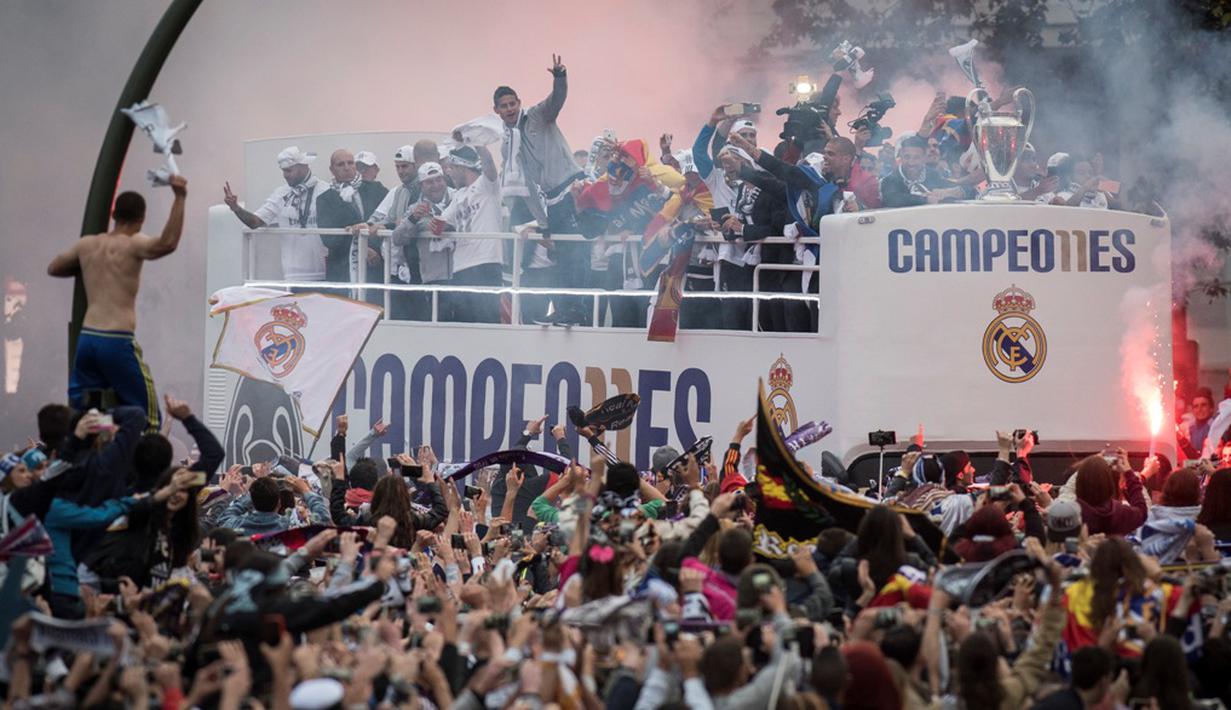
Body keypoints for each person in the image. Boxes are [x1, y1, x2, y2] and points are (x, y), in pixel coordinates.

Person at [48, 176, 187, 432]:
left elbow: (54, 267)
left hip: (88, 338)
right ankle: (139, 464)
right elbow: (167, 243)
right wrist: (180, 197)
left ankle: (97, 445)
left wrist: (85, 267)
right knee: (148, 415)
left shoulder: (87, 245)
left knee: (84, 413)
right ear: (141, 219)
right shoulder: (133, 243)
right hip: (116, 339)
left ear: (113, 214)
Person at [223, 146, 329, 283]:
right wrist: (236, 208)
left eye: (289, 170)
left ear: (303, 166)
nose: (285, 175)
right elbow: (255, 222)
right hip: (293, 273)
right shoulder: (281, 194)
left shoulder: (325, 190)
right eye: (283, 171)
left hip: (324, 271)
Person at [433, 144, 504, 323]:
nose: (448, 173)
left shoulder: (486, 185)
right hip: (461, 267)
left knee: (487, 320)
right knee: (463, 323)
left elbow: (489, 165)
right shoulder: (459, 195)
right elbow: (439, 225)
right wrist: (434, 224)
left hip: (485, 261)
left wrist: (477, 141)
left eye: (451, 168)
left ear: (460, 166)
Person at [315, 149, 388, 301]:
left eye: (350, 163)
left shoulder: (377, 190)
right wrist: (361, 247)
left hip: (376, 268)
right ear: (332, 170)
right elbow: (328, 239)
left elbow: (388, 220)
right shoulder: (325, 199)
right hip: (342, 271)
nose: (347, 167)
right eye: (341, 164)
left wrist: (373, 246)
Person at [365, 145, 428, 320]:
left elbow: (409, 222)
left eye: (405, 166)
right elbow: (390, 218)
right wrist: (382, 225)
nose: (401, 171)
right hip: (401, 264)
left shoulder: (424, 188)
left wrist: (388, 226)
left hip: (420, 262)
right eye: (397, 167)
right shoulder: (399, 191)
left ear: (415, 166)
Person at [879, 134, 971, 207]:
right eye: (907, 157)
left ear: (924, 158)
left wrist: (951, 192)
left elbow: (969, 190)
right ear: (901, 156)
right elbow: (892, 199)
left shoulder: (933, 175)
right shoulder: (890, 180)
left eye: (916, 158)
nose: (911, 162)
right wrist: (925, 199)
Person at [1073, 453, 1149, 536]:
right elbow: (1142, 511)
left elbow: (1066, 490)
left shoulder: (1072, 514)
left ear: (1078, 484)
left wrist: (1087, 467)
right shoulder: (1120, 513)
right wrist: (1128, 472)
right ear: (1109, 484)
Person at [1181, 388, 1217, 458]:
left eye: (1203, 405)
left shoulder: (1217, 426)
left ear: (1211, 408)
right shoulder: (1189, 428)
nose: (1199, 409)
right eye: (1196, 406)